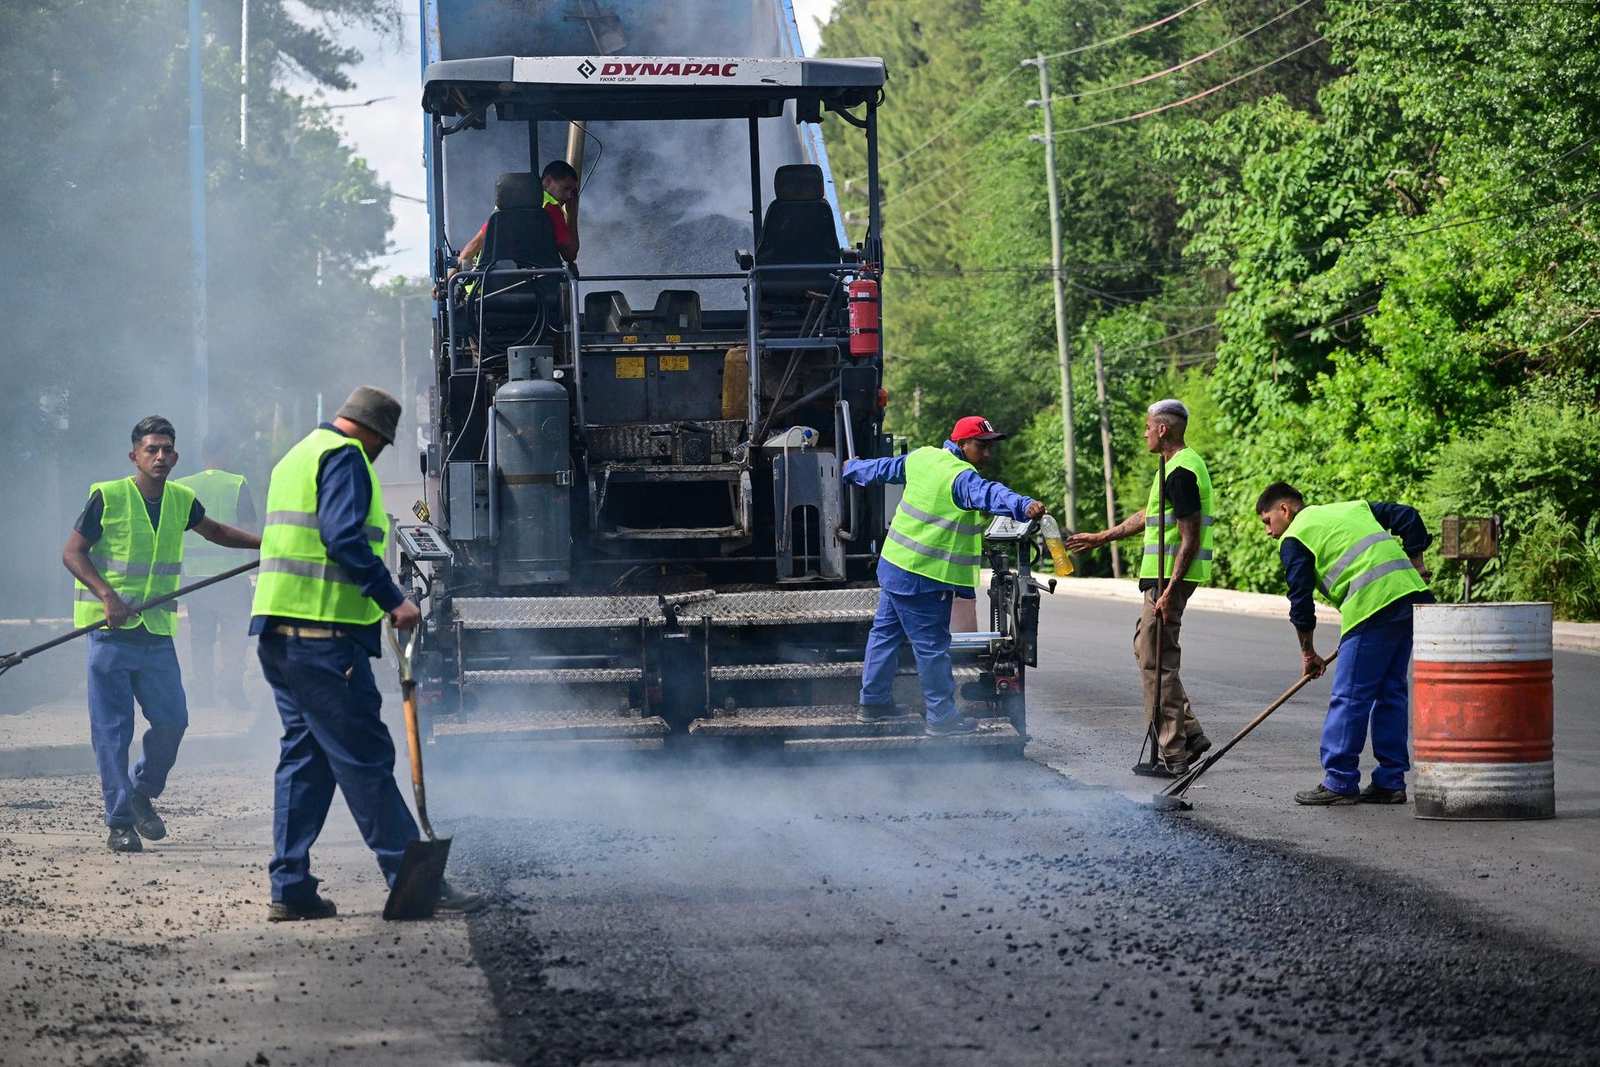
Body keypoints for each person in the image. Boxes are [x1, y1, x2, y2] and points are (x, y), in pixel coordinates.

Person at [251, 387, 478, 920]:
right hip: (325, 640)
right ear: (375, 436)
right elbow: (343, 537)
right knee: (366, 759)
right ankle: (412, 878)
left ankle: (290, 887)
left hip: (280, 636)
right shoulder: (346, 457)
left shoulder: (297, 455)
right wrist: (393, 599)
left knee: (305, 761)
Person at [61, 416, 262, 854]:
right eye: (151, 449)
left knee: (173, 721)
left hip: (155, 635)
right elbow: (72, 552)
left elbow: (217, 532)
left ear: (176, 456)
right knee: (113, 732)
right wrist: (106, 596)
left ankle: (141, 792)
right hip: (110, 636)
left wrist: (267, 545)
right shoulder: (107, 496)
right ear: (134, 455)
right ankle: (118, 822)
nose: (160, 456)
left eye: (167, 449)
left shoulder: (180, 500)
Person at [844, 416, 1046, 737]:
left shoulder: (923, 457)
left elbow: (884, 468)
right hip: (924, 577)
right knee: (933, 649)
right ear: (963, 444)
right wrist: (1023, 505)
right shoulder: (961, 477)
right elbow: (990, 493)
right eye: (982, 446)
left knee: (884, 637)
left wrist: (851, 469)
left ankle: (873, 705)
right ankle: (941, 719)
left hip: (895, 567)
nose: (987, 454)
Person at [1255, 482, 1434, 806]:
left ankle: (1339, 781)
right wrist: (1416, 562)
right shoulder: (1351, 507)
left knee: (1350, 695)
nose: (1269, 532)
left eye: (1268, 521)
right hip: (1411, 599)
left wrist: (1308, 652)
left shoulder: (1296, 537)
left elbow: (1300, 601)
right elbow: (1408, 516)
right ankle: (1390, 781)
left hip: (1372, 607)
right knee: (1390, 692)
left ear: (1285, 509)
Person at [1065, 399, 1213, 777]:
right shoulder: (1170, 468)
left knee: (1157, 664)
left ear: (1163, 429)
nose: (1145, 432)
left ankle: (1175, 754)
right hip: (1160, 580)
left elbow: (1189, 537)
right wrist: (1101, 537)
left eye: (1148, 426)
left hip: (1168, 581)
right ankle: (1191, 733)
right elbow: (1147, 518)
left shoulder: (1182, 472)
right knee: (1145, 648)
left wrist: (1168, 591)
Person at [175, 439, 258, 709]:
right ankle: (231, 688)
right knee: (234, 634)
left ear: (202, 455)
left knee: (201, 636)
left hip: (195, 577)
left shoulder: (184, 485)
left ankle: (203, 691)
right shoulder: (236, 483)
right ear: (225, 452)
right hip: (231, 576)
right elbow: (247, 528)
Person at [455, 159, 580, 271]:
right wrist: (572, 213)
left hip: (488, 287)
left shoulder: (504, 207)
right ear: (547, 181)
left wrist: (453, 273)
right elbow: (570, 254)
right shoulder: (550, 208)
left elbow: (476, 243)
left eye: (572, 192)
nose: (570, 196)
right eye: (566, 188)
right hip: (537, 287)